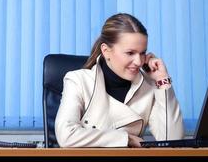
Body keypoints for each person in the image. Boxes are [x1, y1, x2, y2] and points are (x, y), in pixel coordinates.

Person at [55, 13, 184, 147]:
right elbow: (67, 136)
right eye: (130, 53)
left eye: (142, 53)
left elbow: (173, 143)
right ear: (106, 51)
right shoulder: (78, 80)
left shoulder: (149, 86)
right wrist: (126, 139)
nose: (139, 61)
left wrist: (162, 81)